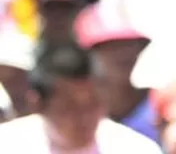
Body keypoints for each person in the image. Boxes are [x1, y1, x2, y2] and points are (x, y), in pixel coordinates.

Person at [0, 39, 162, 153]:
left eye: (93, 103)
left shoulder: (135, 148)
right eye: (70, 106)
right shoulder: (8, 145)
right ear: (38, 104)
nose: (84, 116)